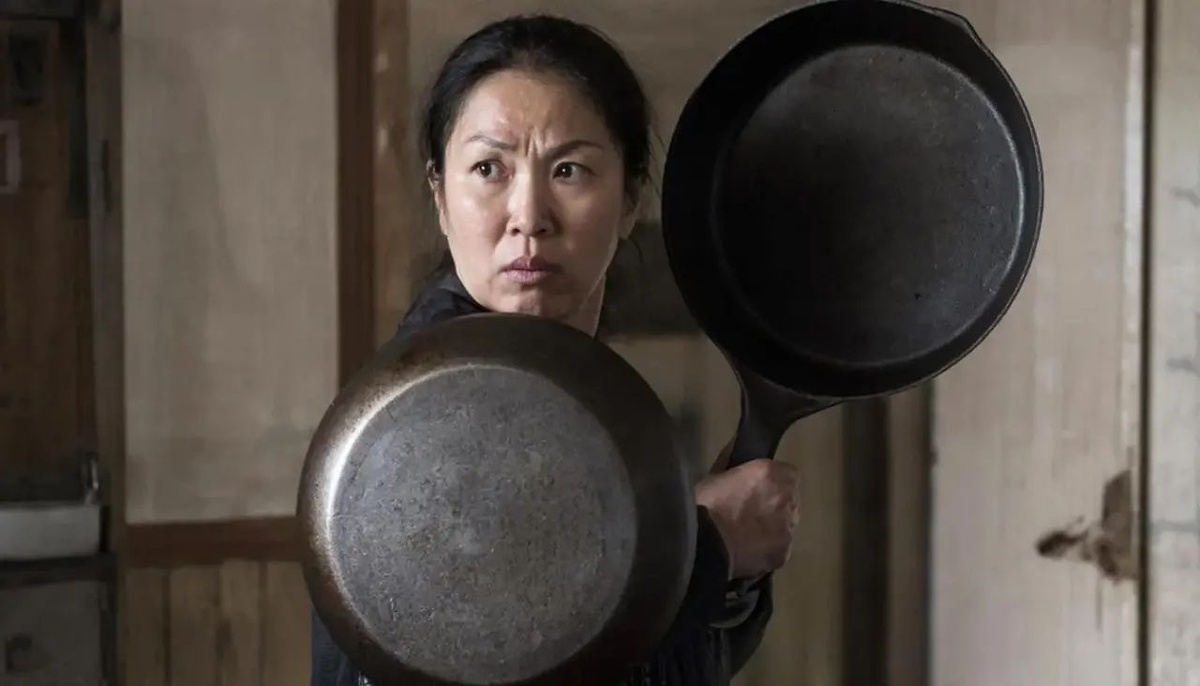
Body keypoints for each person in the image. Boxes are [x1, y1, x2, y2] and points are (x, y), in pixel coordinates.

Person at [310, 14, 802, 686]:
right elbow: (510, 651)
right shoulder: (424, 420)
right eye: (489, 168)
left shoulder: (578, 392)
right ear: (441, 197)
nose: (528, 216)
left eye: (569, 170)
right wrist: (712, 548)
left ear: (629, 200)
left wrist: (714, 558)